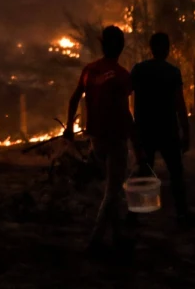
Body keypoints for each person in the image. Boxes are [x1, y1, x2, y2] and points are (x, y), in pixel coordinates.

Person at [64, 25, 135, 251]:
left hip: (96, 137)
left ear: (103, 45)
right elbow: (125, 112)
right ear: (121, 47)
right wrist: (137, 143)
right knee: (113, 191)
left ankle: (118, 237)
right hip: (115, 137)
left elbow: (74, 99)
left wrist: (69, 127)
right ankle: (96, 240)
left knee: (111, 187)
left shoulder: (89, 70)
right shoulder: (122, 75)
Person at [130, 32, 191, 221]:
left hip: (144, 129)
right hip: (167, 129)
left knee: (143, 170)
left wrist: (132, 126)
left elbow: (127, 97)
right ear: (167, 49)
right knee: (176, 172)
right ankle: (181, 213)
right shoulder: (172, 72)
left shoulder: (138, 70)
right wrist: (186, 131)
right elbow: (179, 104)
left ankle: (135, 214)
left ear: (151, 48)